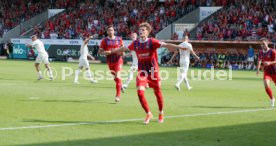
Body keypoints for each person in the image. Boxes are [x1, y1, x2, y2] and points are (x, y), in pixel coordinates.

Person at [105, 22, 188, 124]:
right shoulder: (135, 44)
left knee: (158, 94)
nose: (141, 31)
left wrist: (179, 47)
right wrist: (112, 52)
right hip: (142, 72)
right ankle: (148, 113)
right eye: (140, 30)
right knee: (140, 93)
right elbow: (124, 48)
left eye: (143, 30)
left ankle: (161, 112)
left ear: (148, 32)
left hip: (153, 72)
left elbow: (165, 44)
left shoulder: (152, 42)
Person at [98, 25, 124, 102]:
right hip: (110, 61)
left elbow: (122, 48)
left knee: (118, 76)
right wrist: (105, 52)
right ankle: (120, 85)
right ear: (107, 32)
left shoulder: (119, 39)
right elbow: (100, 52)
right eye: (109, 30)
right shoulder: (104, 41)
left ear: (114, 31)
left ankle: (117, 96)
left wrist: (122, 53)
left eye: (112, 30)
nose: (111, 32)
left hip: (118, 59)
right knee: (115, 78)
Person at [256, 38, 276, 107]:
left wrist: (270, 63)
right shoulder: (260, 52)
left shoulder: (272, 51)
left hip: (275, 71)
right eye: (261, 44)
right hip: (267, 72)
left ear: (267, 43)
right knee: (266, 85)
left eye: (264, 43)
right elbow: (259, 61)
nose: (262, 45)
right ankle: (272, 99)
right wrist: (258, 70)